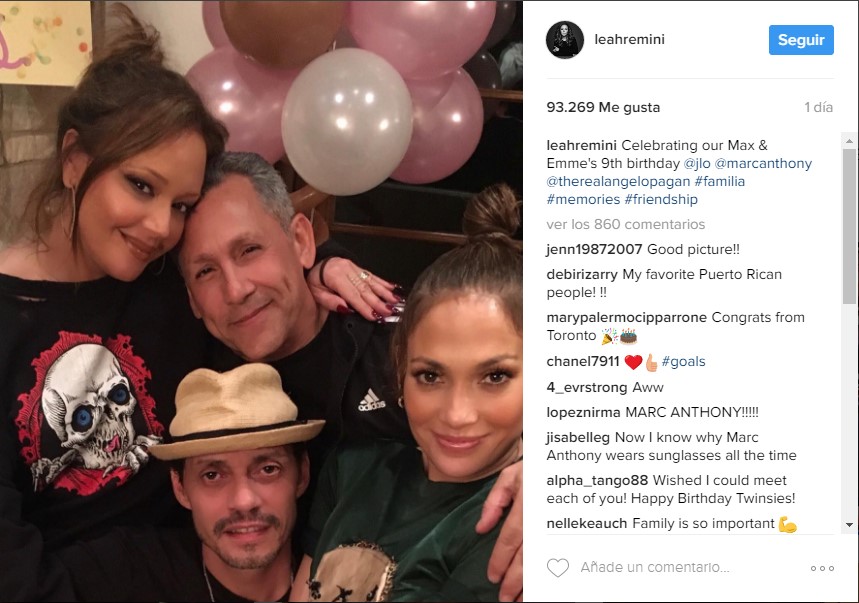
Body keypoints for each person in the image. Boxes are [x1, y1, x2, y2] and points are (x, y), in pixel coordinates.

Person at [0, 9, 386, 601]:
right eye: (141, 186)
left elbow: (253, 256)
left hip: (221, 570)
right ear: (74, 159)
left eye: (179, 204)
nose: (161, 226)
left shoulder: (166, 282)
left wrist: (320, 261)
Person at [178, 154, 524, 602]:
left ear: (301, 240)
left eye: (250, 250)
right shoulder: (205, 374)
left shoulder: (395, 341)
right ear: (190, 298)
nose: (235, 289)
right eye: (205, 271)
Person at [290, 183, 523, 602]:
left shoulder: (515, 528)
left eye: (494, 377)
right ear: (400, 371)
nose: (457, 414)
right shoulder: (352, 469)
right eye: (430, 376)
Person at [55, 363, 323, 602]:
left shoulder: (339, 575)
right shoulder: (127, 571)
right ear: (180, 487)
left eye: (268, 469)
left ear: (302, 474)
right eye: (212, 475)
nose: (244, 501)